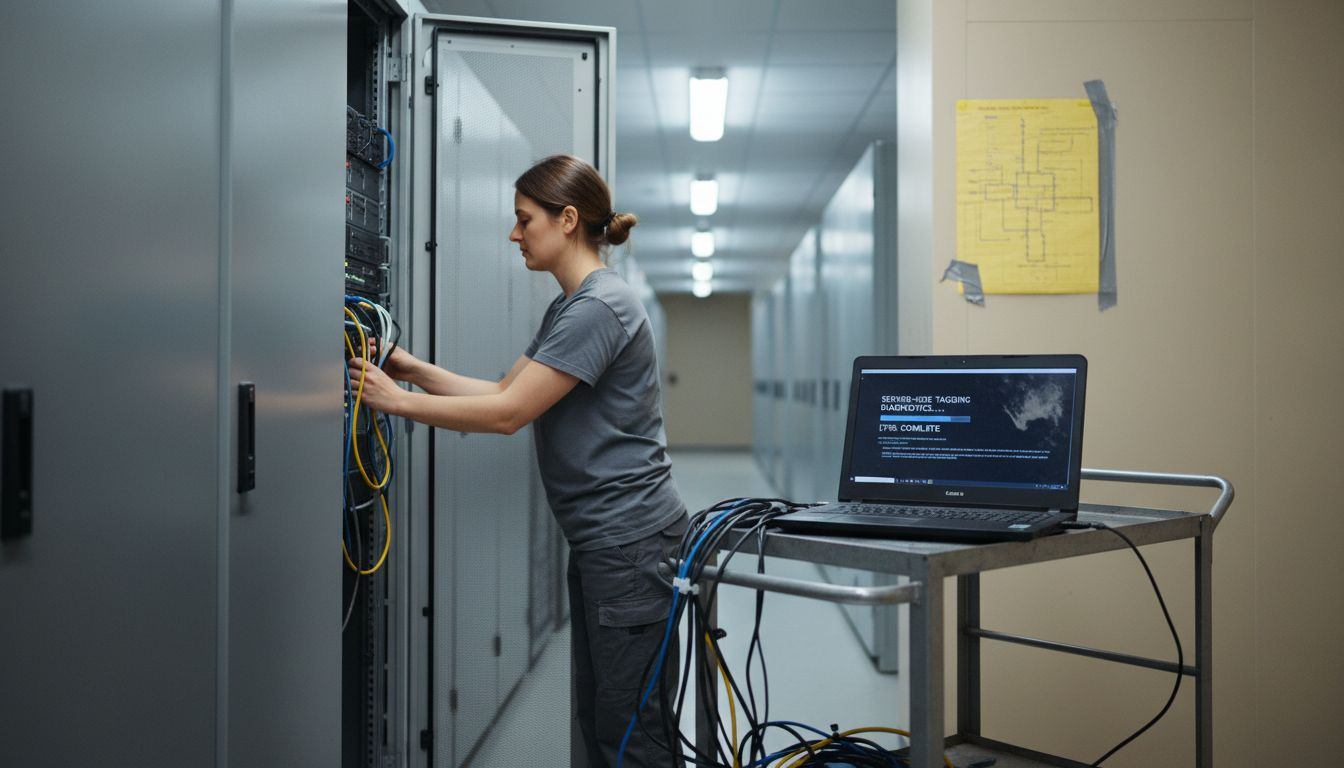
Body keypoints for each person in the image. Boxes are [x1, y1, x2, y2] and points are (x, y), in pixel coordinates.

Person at [348, 154, 687, 767]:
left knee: (633, 731)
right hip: (609, 543)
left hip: (631, 545)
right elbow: (505, 390)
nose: (514, 234)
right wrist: (409, 369)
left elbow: (508, 416)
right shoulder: (572, 306)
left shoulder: (599, 308)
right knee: (603, 718)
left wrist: (397, 402)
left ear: (567, 219)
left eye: (523, 219)